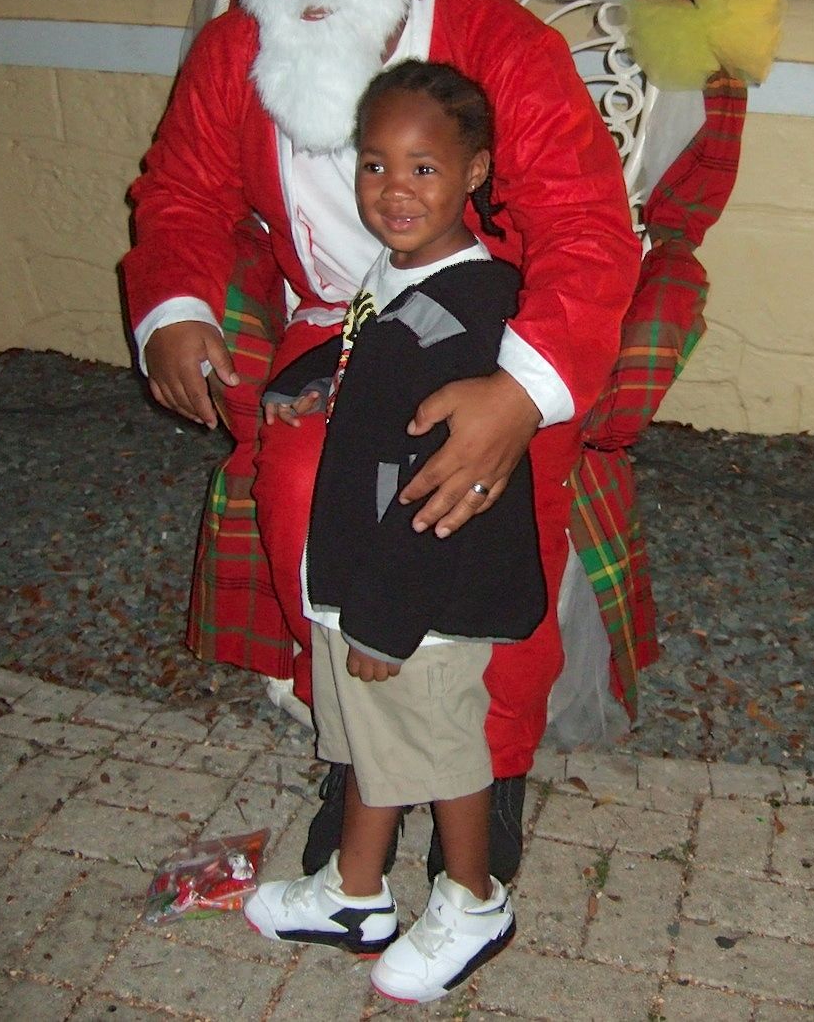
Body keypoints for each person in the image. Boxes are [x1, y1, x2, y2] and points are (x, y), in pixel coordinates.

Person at [121, 0, 640, 886]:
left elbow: (589, 228)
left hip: (480, 324)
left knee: (487, 514)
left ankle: (485, 765)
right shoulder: (236, 50)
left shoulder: (494, 40)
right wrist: (174, 306)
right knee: (307, 483)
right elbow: (182, 193)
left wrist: (517, 392)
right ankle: (361, 753)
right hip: (332, 326)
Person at [245, 60, 543, 1001]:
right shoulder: (402, 270)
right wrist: (317, 383)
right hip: (364, 569)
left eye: (423, 168)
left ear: (475, 172)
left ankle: (474, 896)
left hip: (422, 593)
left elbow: (447, 488)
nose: (395, 190)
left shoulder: (474, 306)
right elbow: (371, 355)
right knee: (371, 741)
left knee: (439, 749)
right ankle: (354, 892)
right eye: (376, 166)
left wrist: (385, 614)